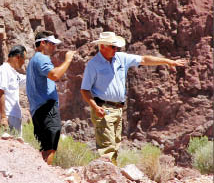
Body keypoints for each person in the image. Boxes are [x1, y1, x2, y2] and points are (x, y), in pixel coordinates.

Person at [80, 32, 186, 165]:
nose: (116, 49)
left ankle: (111, 174)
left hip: (118, 108)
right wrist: (95, 107)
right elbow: (85, 90)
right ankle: (106, 175)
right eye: (113, 47)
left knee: (115, 146)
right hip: (103, 108)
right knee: (107, 147)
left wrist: (168, 61)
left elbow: (144, 60)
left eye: (116, 47)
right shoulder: (93, 65)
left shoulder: (121, 58)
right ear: (102, 46)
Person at [26, 31, 76, 165]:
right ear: (43, 43)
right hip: (47, 108)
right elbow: (54, 75)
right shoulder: (41, 58)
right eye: (52, 44)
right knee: (50, 148)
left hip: (37, 110)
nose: (54, 47)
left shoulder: (32, 61)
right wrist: (68, 60)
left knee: (44, 148)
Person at [0, 45, 27, 134]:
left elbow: (28, 80)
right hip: (7, 116)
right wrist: (3, 117)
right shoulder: (4, 69)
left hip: (13, 116)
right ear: (18, 57)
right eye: (24, 59)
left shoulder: (14, 73)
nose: (24, 63)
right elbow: (0, 92)